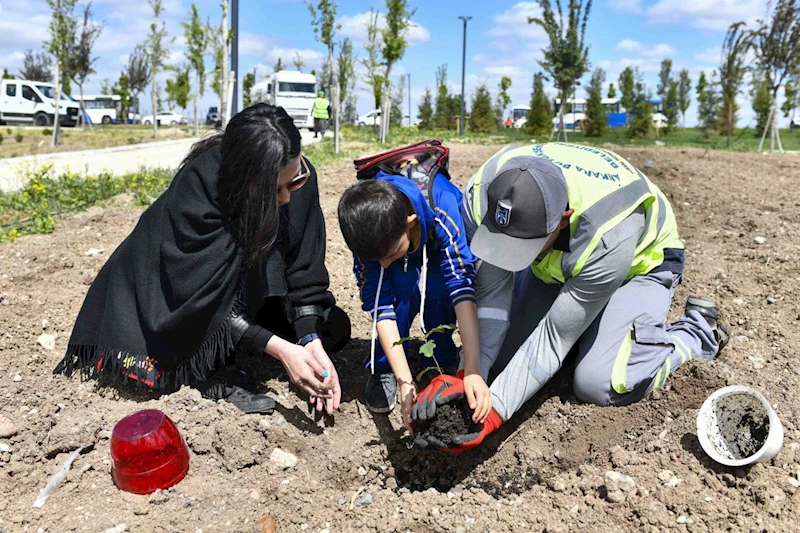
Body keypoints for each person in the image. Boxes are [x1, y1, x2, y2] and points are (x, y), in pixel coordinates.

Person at [411, 143, 728, 451]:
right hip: (558, 267)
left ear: (563, 219)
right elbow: (493, 292)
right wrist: (470, 373)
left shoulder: (609, 231)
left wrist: (494, 414)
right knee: (503, 364)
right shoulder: (484, 193)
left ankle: (696, 333)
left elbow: (553, 337)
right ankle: (597, 330)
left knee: (600, 382)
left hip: (636, 266)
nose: (507, 255)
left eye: (521, 246)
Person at [55, 104, 351, 415]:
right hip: (169, 301)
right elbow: (197, 297)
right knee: (163, 366)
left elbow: (304, 266)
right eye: (273, 190)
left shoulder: (296, 177)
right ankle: (214, 370)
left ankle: (242, 345)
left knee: (334, 328)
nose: (287, 197)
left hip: (240, 290)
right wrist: (279, 348)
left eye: (293, 182)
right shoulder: (200, 188)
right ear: (242, 179)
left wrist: (309, 338)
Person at [337, 167, 491, 433]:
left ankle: (441, 356)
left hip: (430, 228)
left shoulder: (443, 207)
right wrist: (405, 382)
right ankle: (384, 365)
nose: (384, 263)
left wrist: (473, 370)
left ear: (409, 222)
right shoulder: (367, 232)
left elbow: (461, 286)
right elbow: (380, 304)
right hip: (398, 237)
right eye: (377, 259)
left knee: (440, 287)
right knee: (399, 286)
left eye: (390, 254)